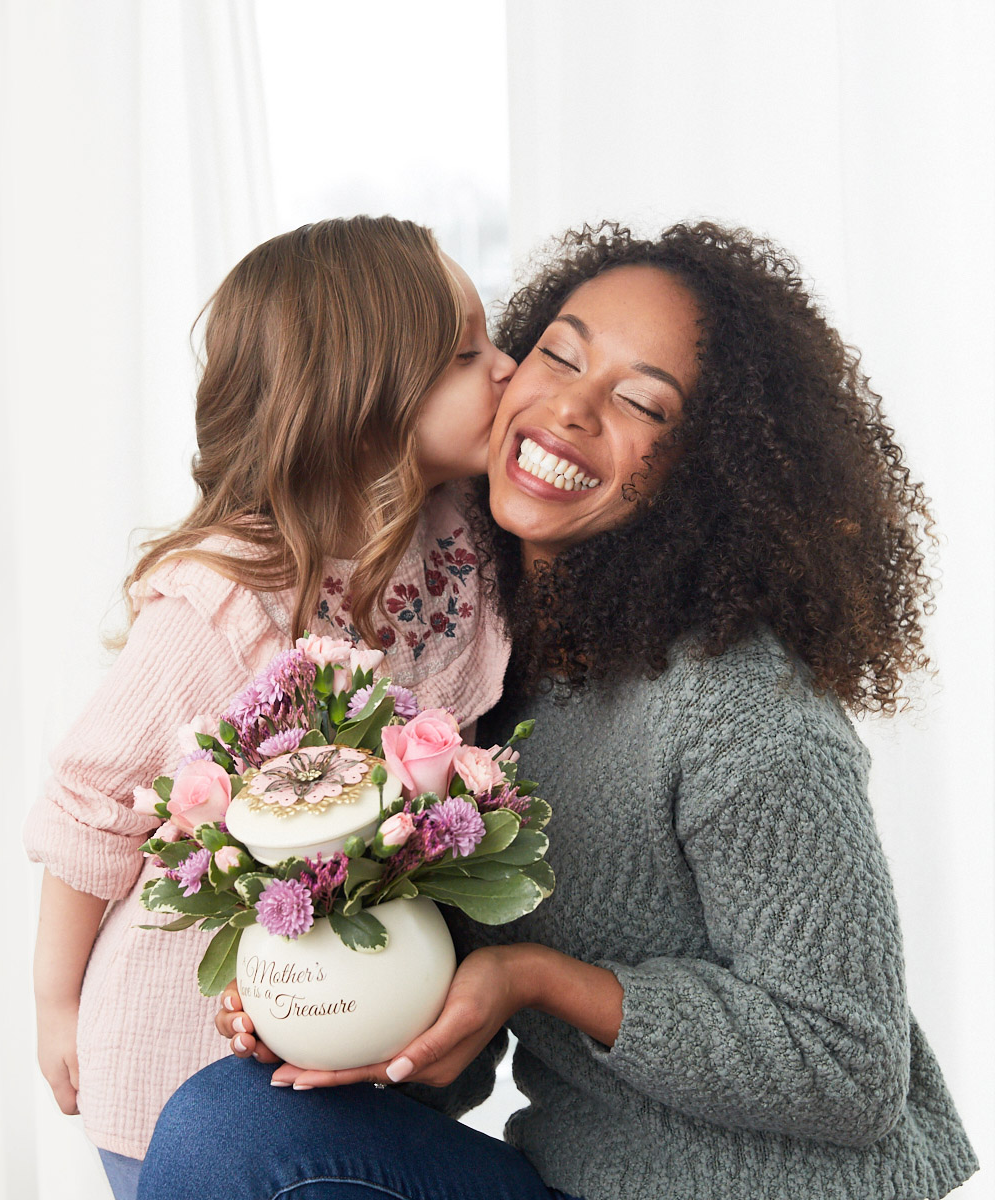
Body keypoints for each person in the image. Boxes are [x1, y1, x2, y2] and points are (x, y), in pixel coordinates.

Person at [142, 222, 979, 1200]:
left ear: (710, 470)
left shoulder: (741, 711)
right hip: (575, 1186)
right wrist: (324, 1012)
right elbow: (448, 1062)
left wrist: (541, 981)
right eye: (559, 356)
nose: (572, 408)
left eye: (638, 402)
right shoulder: (478, 686)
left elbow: (850, 1065)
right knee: (234, 1123)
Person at [22, 214, 516, 1200]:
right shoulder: (230, 600)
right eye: (467, 355)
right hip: (178, 1063)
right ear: (363, 406)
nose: (507, 369)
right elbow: (93, 796)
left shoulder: (461, 544)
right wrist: (54, 1006)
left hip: (345, 1053)